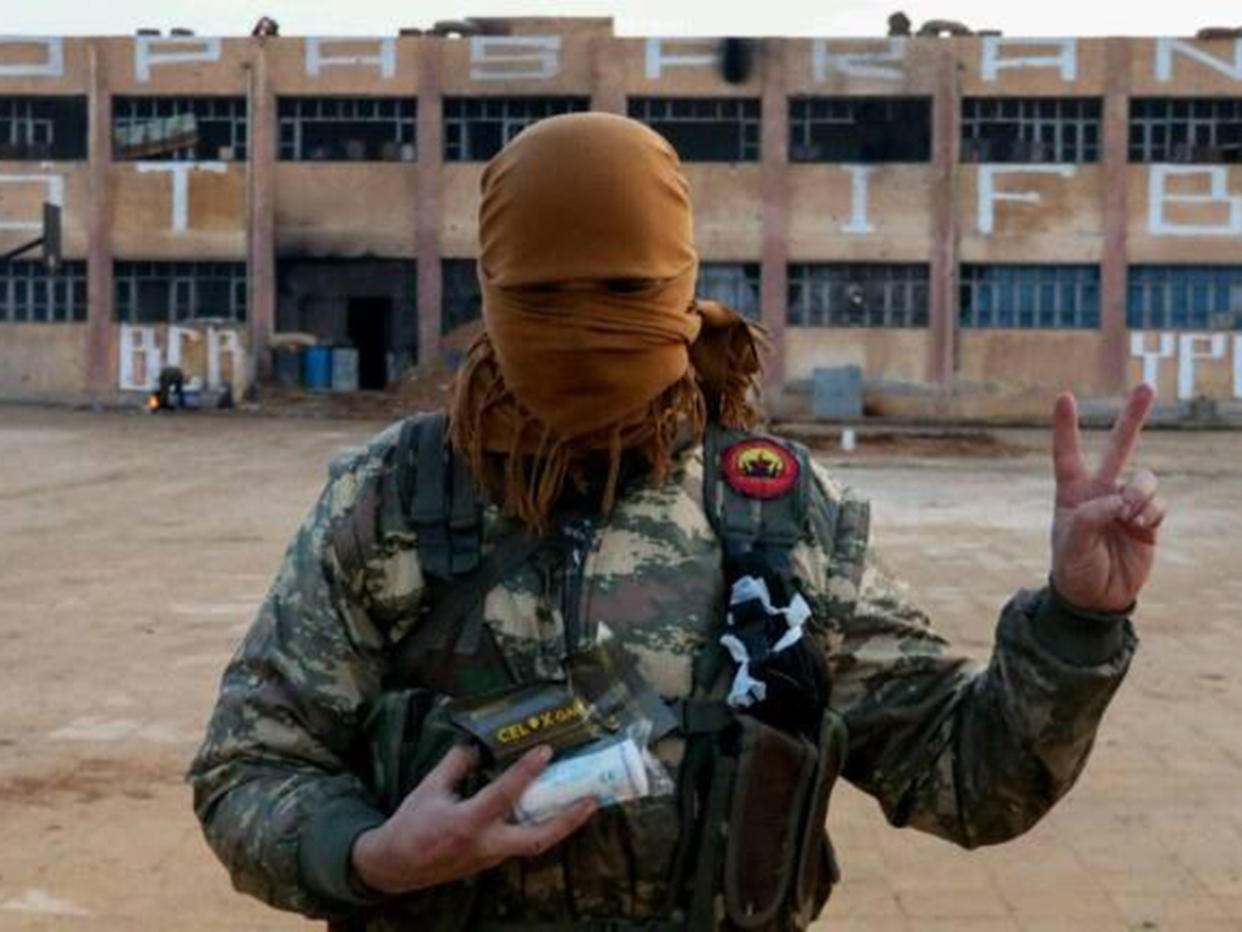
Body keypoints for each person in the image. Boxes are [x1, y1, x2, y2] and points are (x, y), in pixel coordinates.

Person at [189, 113, 1165, 931]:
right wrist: (368, 854)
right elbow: (250, 767)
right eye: (542, 296)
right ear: (490, 292)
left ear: (682, 294)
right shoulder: (390, 498)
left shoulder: (775, 514)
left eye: (623, 293)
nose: (586, 325)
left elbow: (967, 776)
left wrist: (1074, 621)